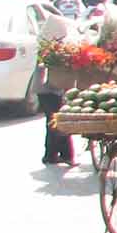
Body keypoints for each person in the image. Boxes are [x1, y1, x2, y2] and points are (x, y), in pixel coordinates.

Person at [37, 11, 75, 166]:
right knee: (56, 121)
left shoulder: (47, 45)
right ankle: (58, 155)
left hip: (47, 90)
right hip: (49, 90)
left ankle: (56, 154)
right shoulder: (47, 49)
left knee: (54, 121)